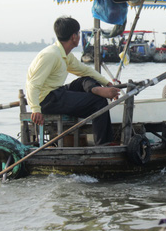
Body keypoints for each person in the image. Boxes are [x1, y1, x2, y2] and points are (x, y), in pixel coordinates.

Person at [26, 16, 121, 145]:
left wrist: (107, 83)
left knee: (85, 79)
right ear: (74, 37)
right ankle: (104, 144)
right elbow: (33, 84)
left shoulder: (64, 54)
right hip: (47, 100)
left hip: (57, 92)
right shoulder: (51, 55)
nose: (79, 36)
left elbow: (85, 71)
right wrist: (35, 109)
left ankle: (96, 89)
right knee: (99, 102)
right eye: (78, 33)